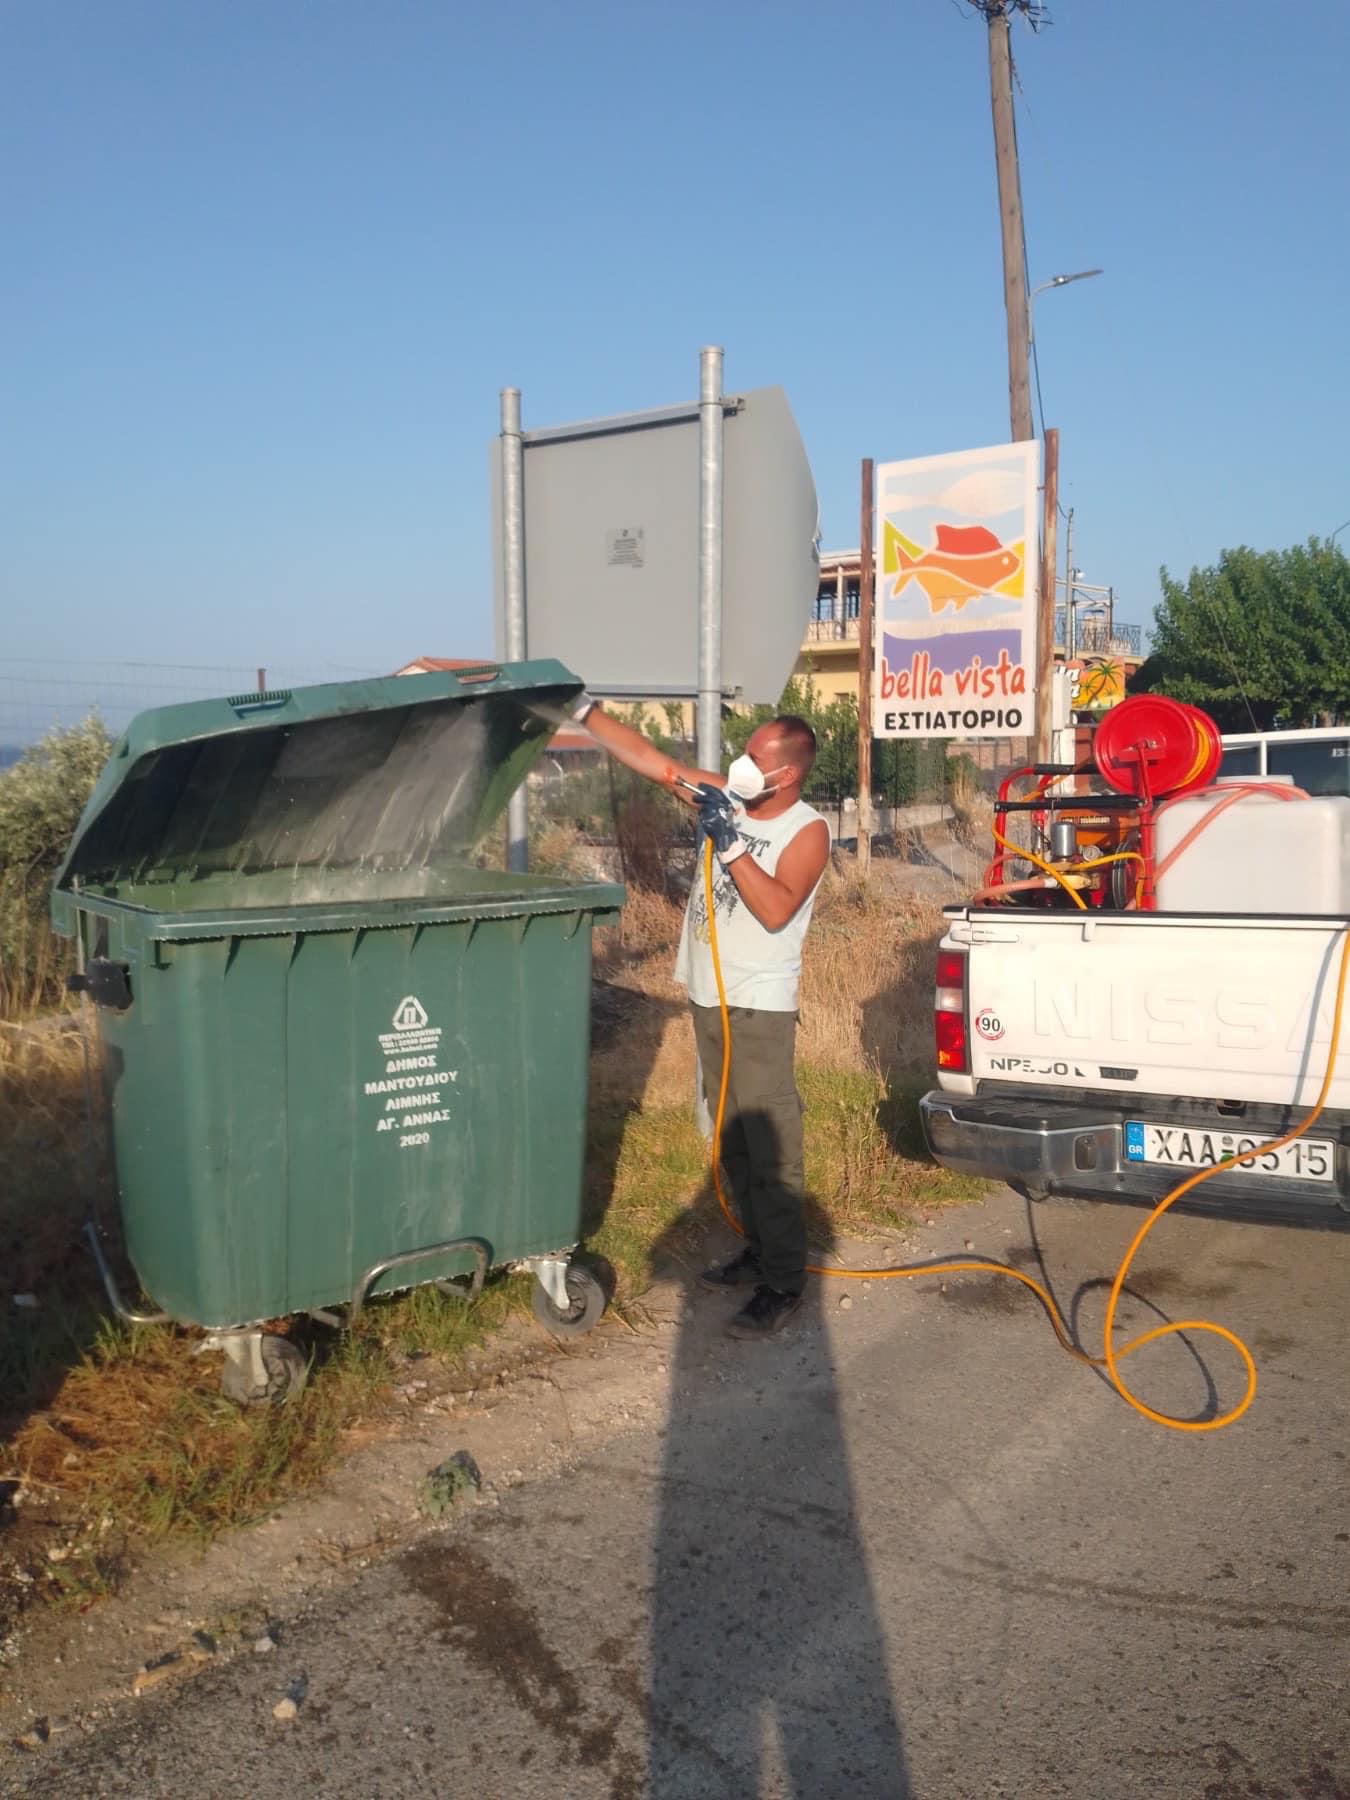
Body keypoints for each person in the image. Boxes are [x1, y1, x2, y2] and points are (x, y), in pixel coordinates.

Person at [571, 695, 831, 1337]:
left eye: (756, 758)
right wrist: (582, 712)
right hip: (709, 995)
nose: (742, 764)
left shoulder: (807, 830)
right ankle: (758, 1249)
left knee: (771, 1146)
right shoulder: (731, 796)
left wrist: (731, 844)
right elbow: (656, 763)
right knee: (732, 1137)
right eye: (744, 752)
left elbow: (776, 909)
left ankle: (785, 1280)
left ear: (787, 773)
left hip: (757, 1004)